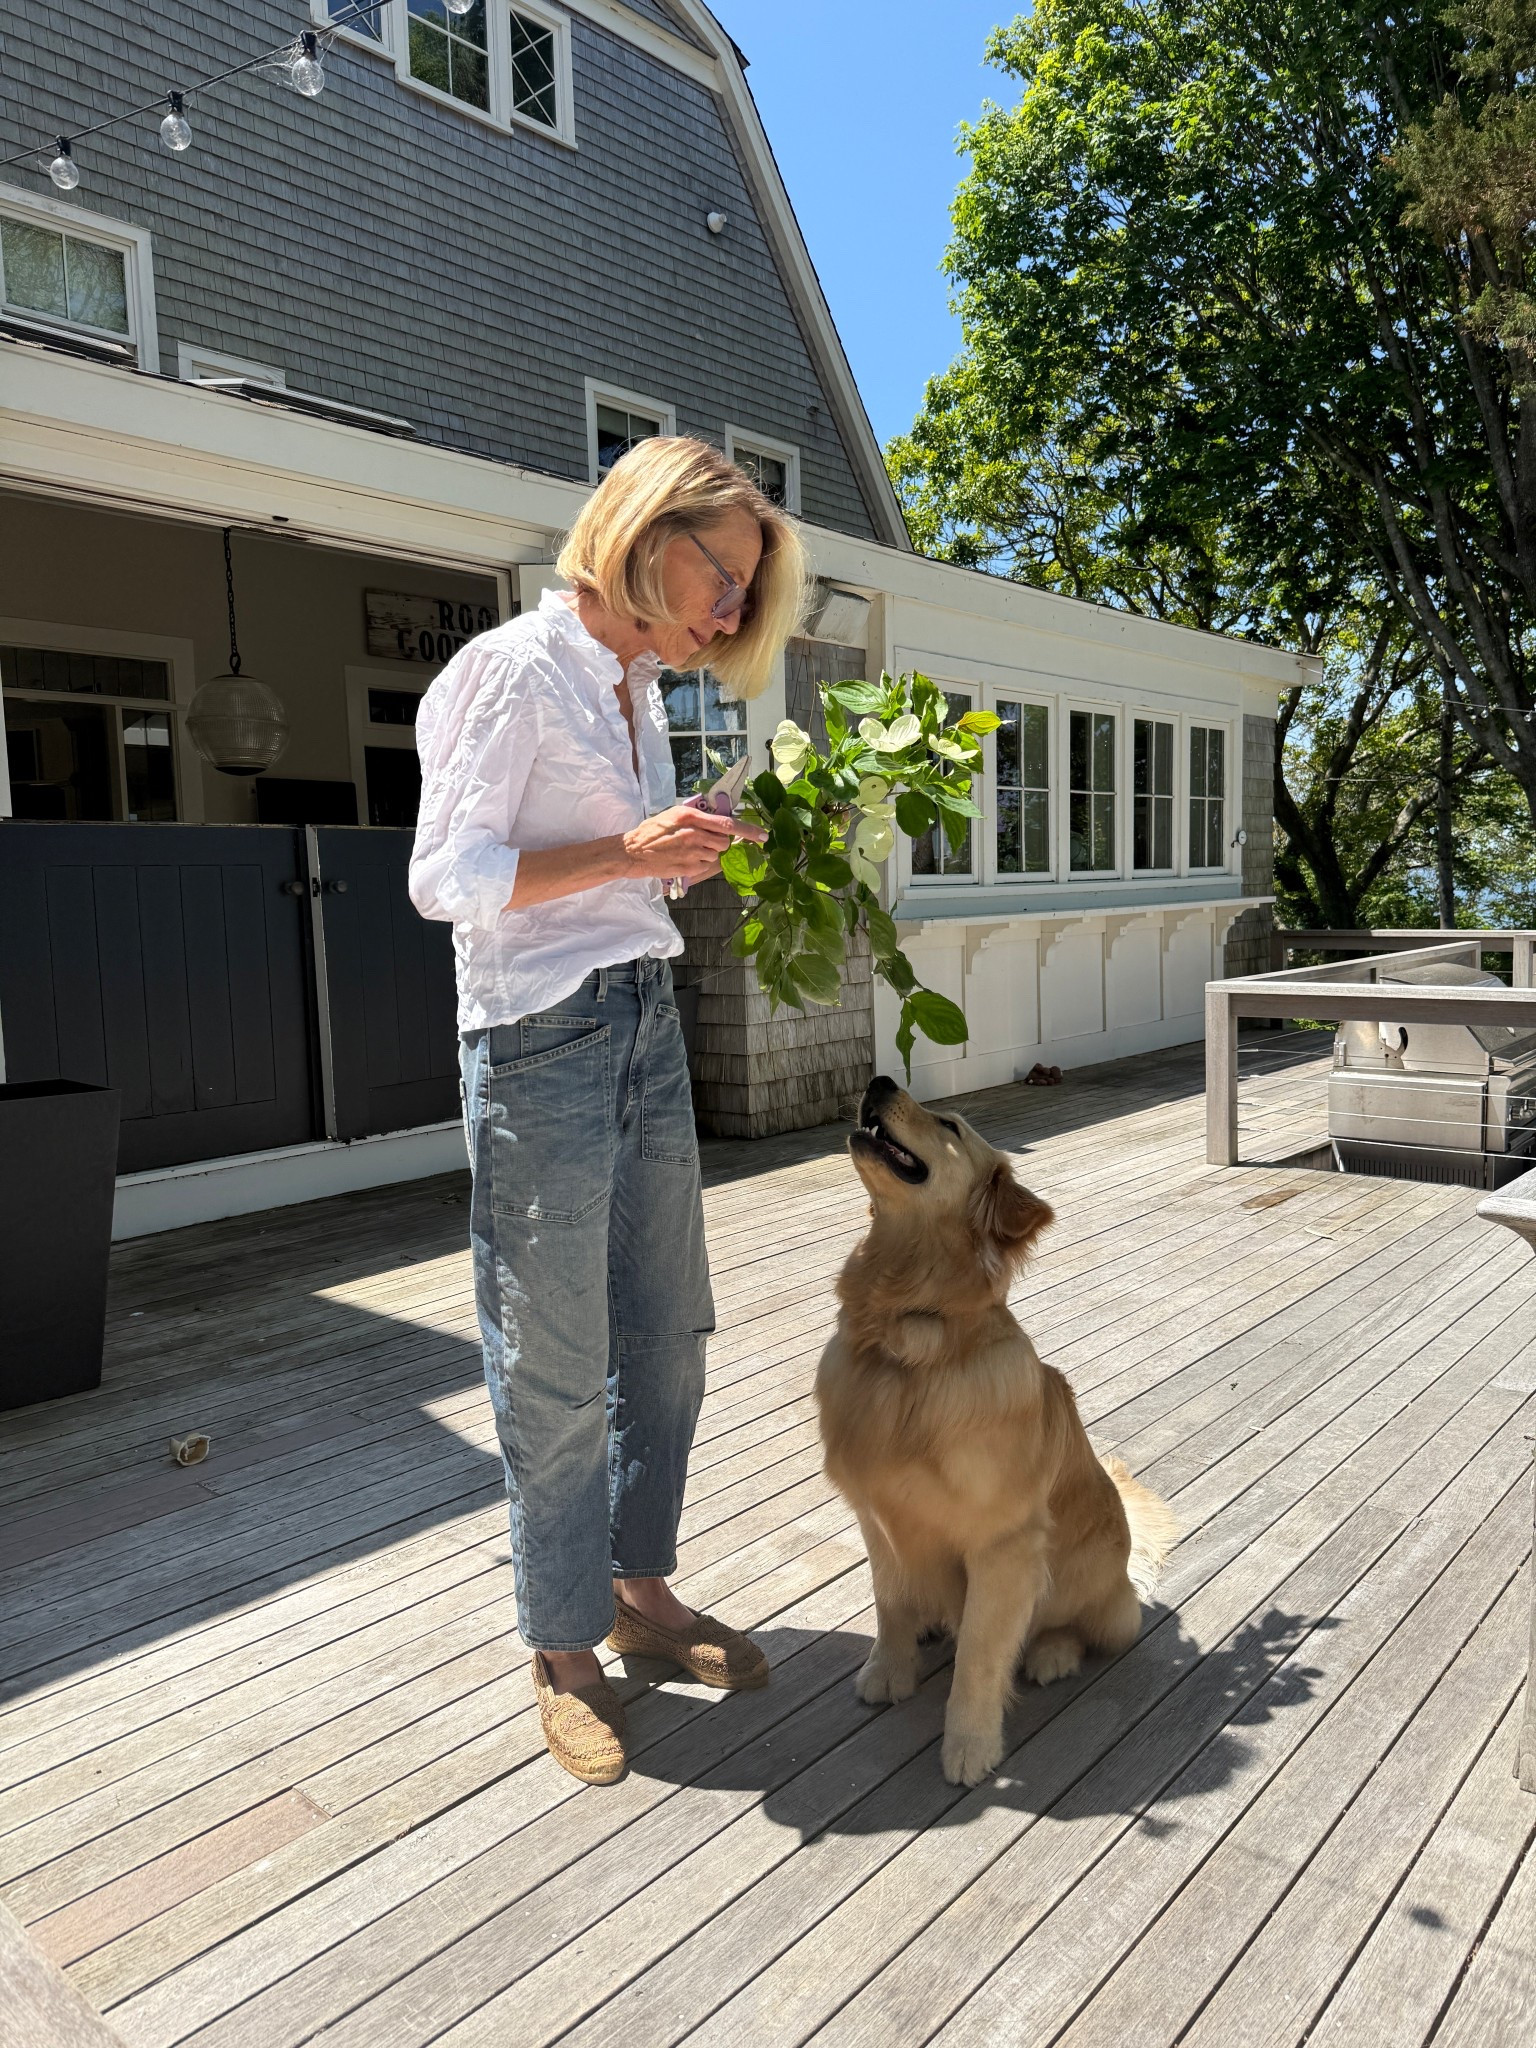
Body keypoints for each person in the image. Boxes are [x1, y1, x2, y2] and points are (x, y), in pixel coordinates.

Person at [409, 436, 808, 1783]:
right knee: (558, 1362)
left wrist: (682, 852)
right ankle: (561, 1644)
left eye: (747, 596)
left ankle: (640, 1595)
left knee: (668, 1335)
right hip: (539, 1046)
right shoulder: (509, 673)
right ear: (647, 533)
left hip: (641, 1018)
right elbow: (447, 878)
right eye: (728, 579)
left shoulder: (635, 692)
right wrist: (629, 851)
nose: (734, 614)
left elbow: (606, 881)